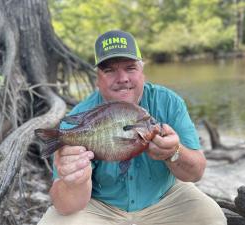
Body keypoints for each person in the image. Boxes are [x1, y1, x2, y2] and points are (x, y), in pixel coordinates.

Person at [38, 30, 227, 225]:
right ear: (97, 79)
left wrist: (174, 152)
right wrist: (75, 182)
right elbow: (65, 205)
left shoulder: (169, 102)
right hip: (100, 205)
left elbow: (196, 173)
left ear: (142, 72)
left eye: (130, 68)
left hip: (164, 197)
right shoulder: (77, 120)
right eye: (109, 70)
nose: (122, 78)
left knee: (211, 216)